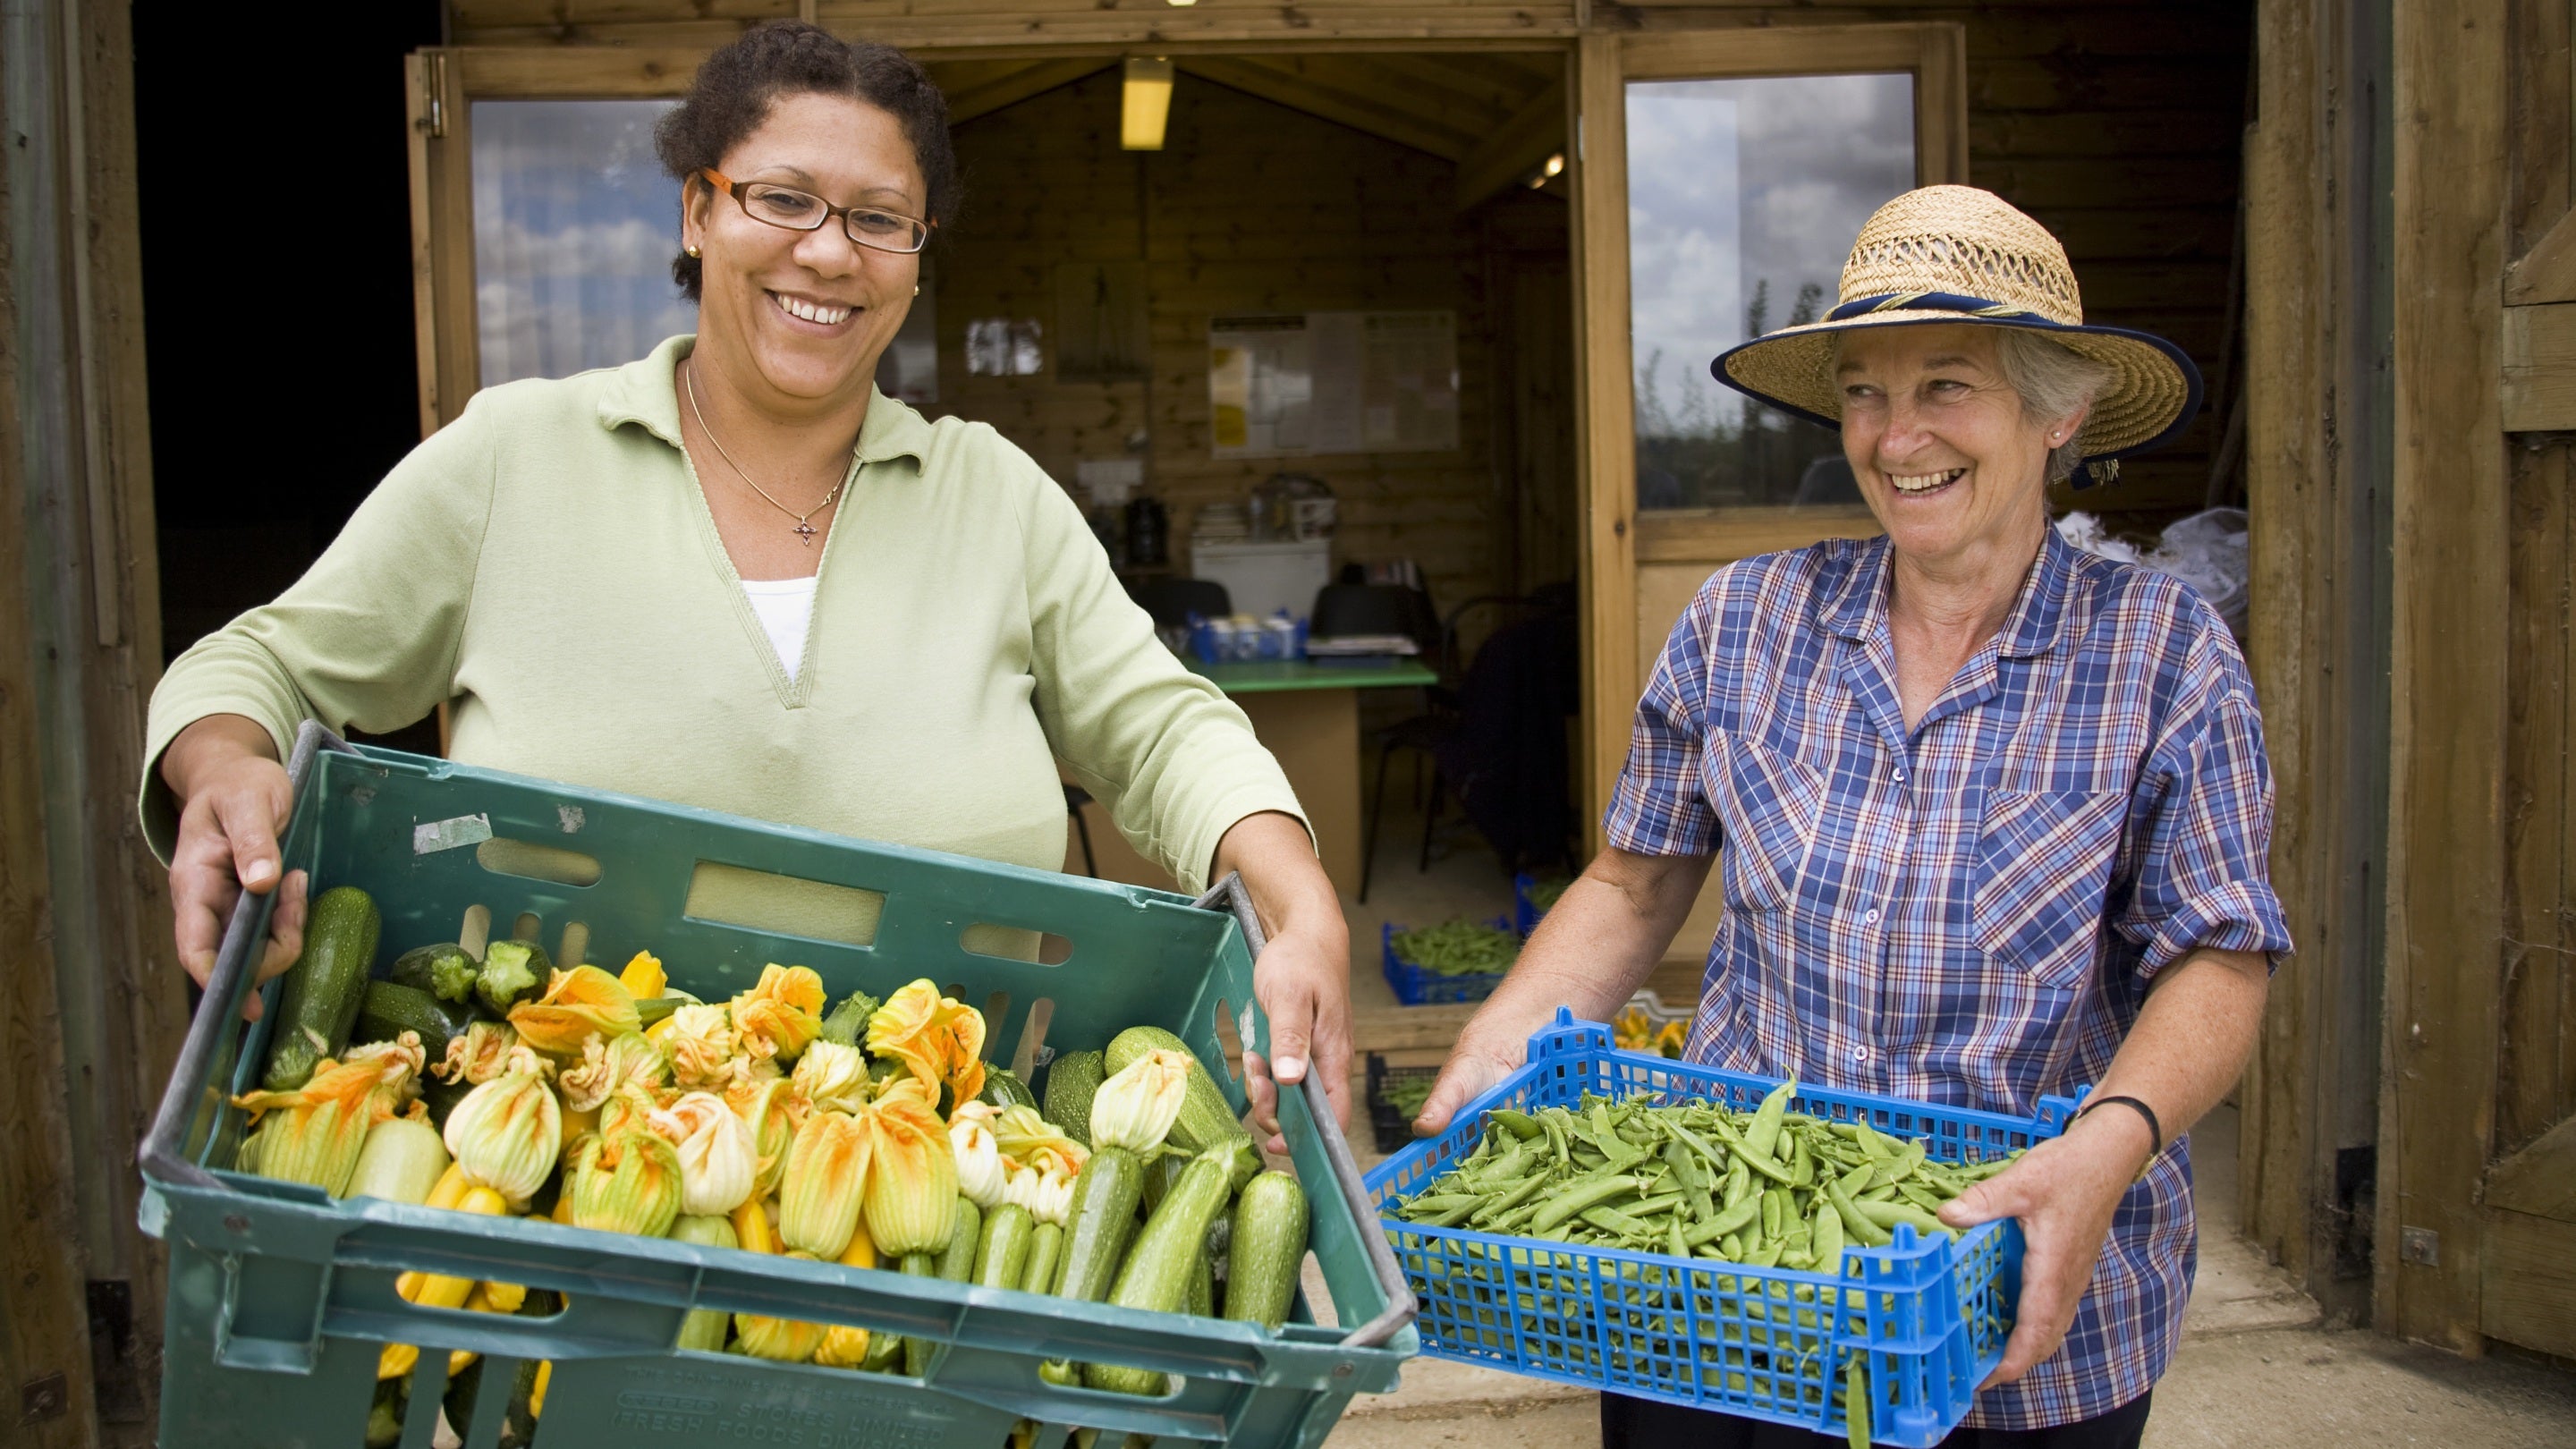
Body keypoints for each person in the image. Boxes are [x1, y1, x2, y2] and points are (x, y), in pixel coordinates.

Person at [142, 21, 1347, 1150]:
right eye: (783, 199)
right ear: (697, 212)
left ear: (916, 265)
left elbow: (1160, 731)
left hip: (952, 1166)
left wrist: (1298, 901)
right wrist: (224, 765)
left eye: (882, 219)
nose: (828, 250)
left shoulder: (994, 497)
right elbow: (260, 664)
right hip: (563, 1171)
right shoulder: (518, 457)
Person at [1412, 186, 2289, 1446]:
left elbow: (2221, 949)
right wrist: (1500, 1043)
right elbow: (1631, 882)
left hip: (2021, 1282)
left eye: (1947, 385)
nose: (1895, 436)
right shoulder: (1746, 620)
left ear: (2060, 413)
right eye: (1867, 392)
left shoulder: (2163, 652)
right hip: (1727, 1292)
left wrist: (2109, 1148)